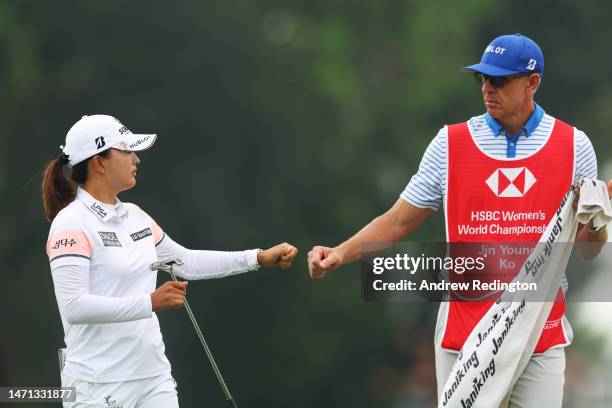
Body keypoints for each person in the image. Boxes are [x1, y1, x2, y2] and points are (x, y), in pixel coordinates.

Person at [307, 33, 612, 406]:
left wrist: (597, 221)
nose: (488, 88)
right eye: (482, 78)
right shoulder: (450, 143)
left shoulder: (574, 145)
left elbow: (588, 250)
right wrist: (340, 252)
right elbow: (399, 221)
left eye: (500, 80)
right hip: (463, 329)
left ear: (532, 83)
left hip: (538, 334)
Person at [42, 114, 298, 408]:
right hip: (96, 385)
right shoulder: (70, 224)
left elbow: (185, 262)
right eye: (126, 151)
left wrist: (257, 257)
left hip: (153, 378)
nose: (136, 159)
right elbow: (74, 307)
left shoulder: (136, 216)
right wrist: (150, 302)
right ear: (99, 163)